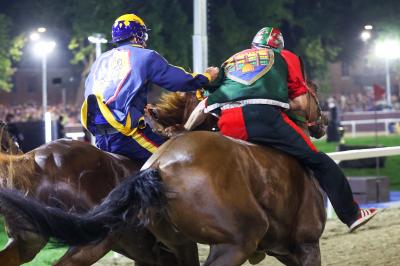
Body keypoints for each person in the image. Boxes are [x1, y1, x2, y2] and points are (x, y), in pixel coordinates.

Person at [186, 27, 377, 232]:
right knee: (321, 162)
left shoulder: (232, 60)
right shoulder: (284, 57)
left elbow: (202, 106)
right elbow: (303, 104)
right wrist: (280, 101)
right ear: (279, 48)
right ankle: (352, 215)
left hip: (228, 123)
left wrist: (185, 131)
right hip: (264, 119)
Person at [81, 13, 219, 163]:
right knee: (177, 163)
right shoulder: (146, 56)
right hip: (126, 133)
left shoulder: (100, 60)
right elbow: (179, 81)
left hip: (99, 136)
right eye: (144, 37)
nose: (145, 42)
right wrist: (207, 76)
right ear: (137, 36)